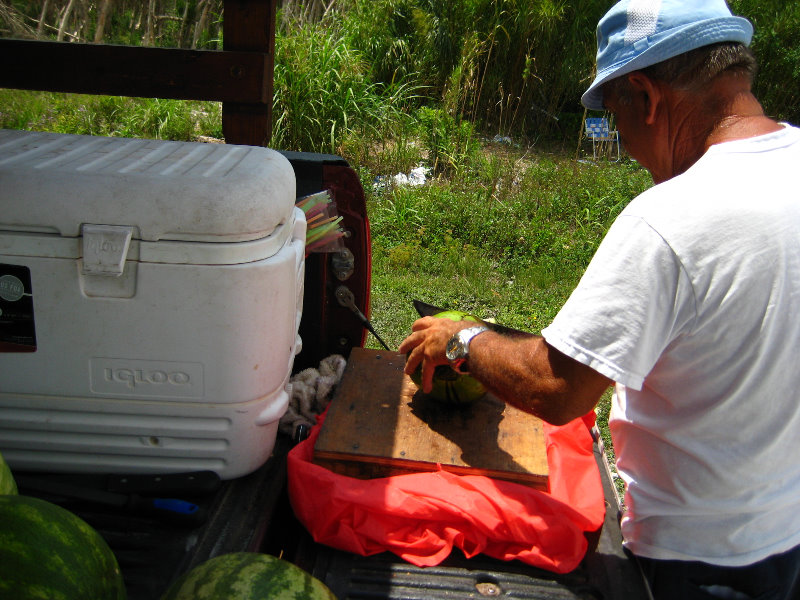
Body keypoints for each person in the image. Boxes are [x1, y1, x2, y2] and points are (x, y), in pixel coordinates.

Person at [398, 1, 800, 598]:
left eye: (615, 116)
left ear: (646, 95)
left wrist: (461, 337)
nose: (624, 141)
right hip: (785, 536)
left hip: (695, 560)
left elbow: (556, 388)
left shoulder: (672, 219)